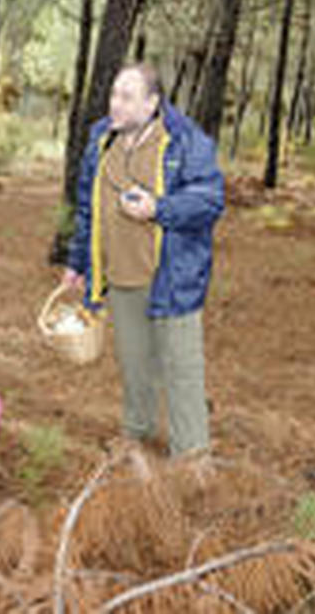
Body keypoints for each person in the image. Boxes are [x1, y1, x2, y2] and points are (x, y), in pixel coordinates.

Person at [62, 63, 224, 471]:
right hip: (119, 276)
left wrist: (160, 208)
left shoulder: (186, 142)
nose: (115, 104)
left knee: (181, 370)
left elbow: (209, 200)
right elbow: (87, 207)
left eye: (127, 97)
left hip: (170, 278)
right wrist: (78, 261)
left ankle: (192, 460)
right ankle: (136, 435)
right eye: (114, 94)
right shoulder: (102, 138)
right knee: (135, 365)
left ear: (152, 103)